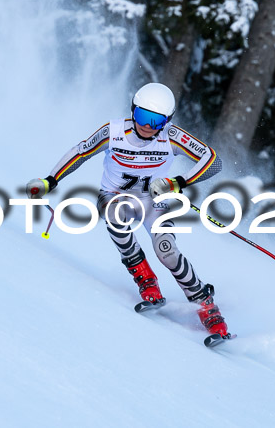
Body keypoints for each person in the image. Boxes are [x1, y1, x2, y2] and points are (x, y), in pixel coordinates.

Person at [25, 82, 230, 338]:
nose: (147, 125)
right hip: (114, 196)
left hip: (153, 201)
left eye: (156, 121)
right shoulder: (114, 131)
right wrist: (50, 180)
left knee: (166, 251)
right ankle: (146, 279)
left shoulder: (173, 136)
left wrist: (177, 182)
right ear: (132, 111)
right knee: (114, 214)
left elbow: (213, 161)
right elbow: (80, 152)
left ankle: (205, 305)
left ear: (167, 121)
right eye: (142, 116)